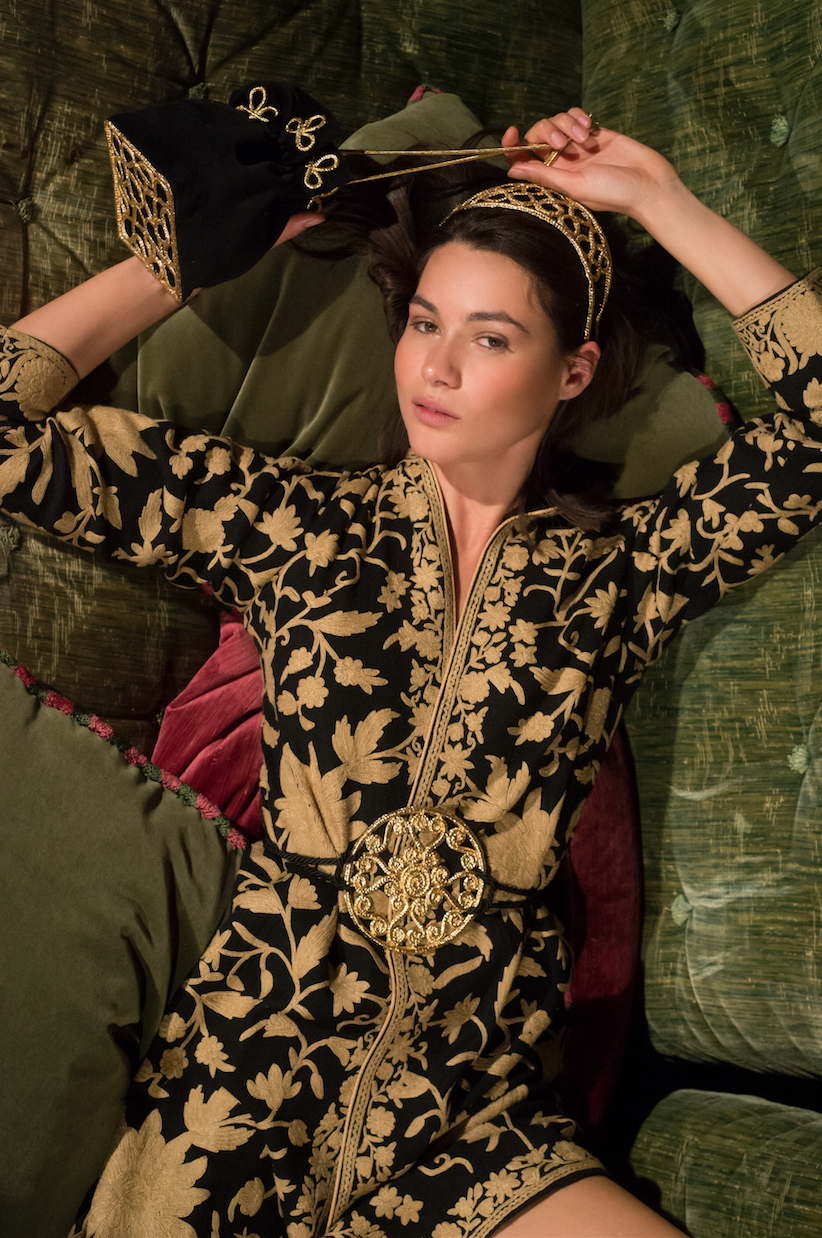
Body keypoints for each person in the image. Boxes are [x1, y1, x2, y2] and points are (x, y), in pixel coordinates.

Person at [1, 103, 819, 1237]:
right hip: (243, 1104)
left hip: (476, 1125)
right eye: (424, 320)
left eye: (490, 337)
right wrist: (187, 260)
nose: (432, 364)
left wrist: (656, 199)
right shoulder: (289, 524)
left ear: (573, 369)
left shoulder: (622, 575)